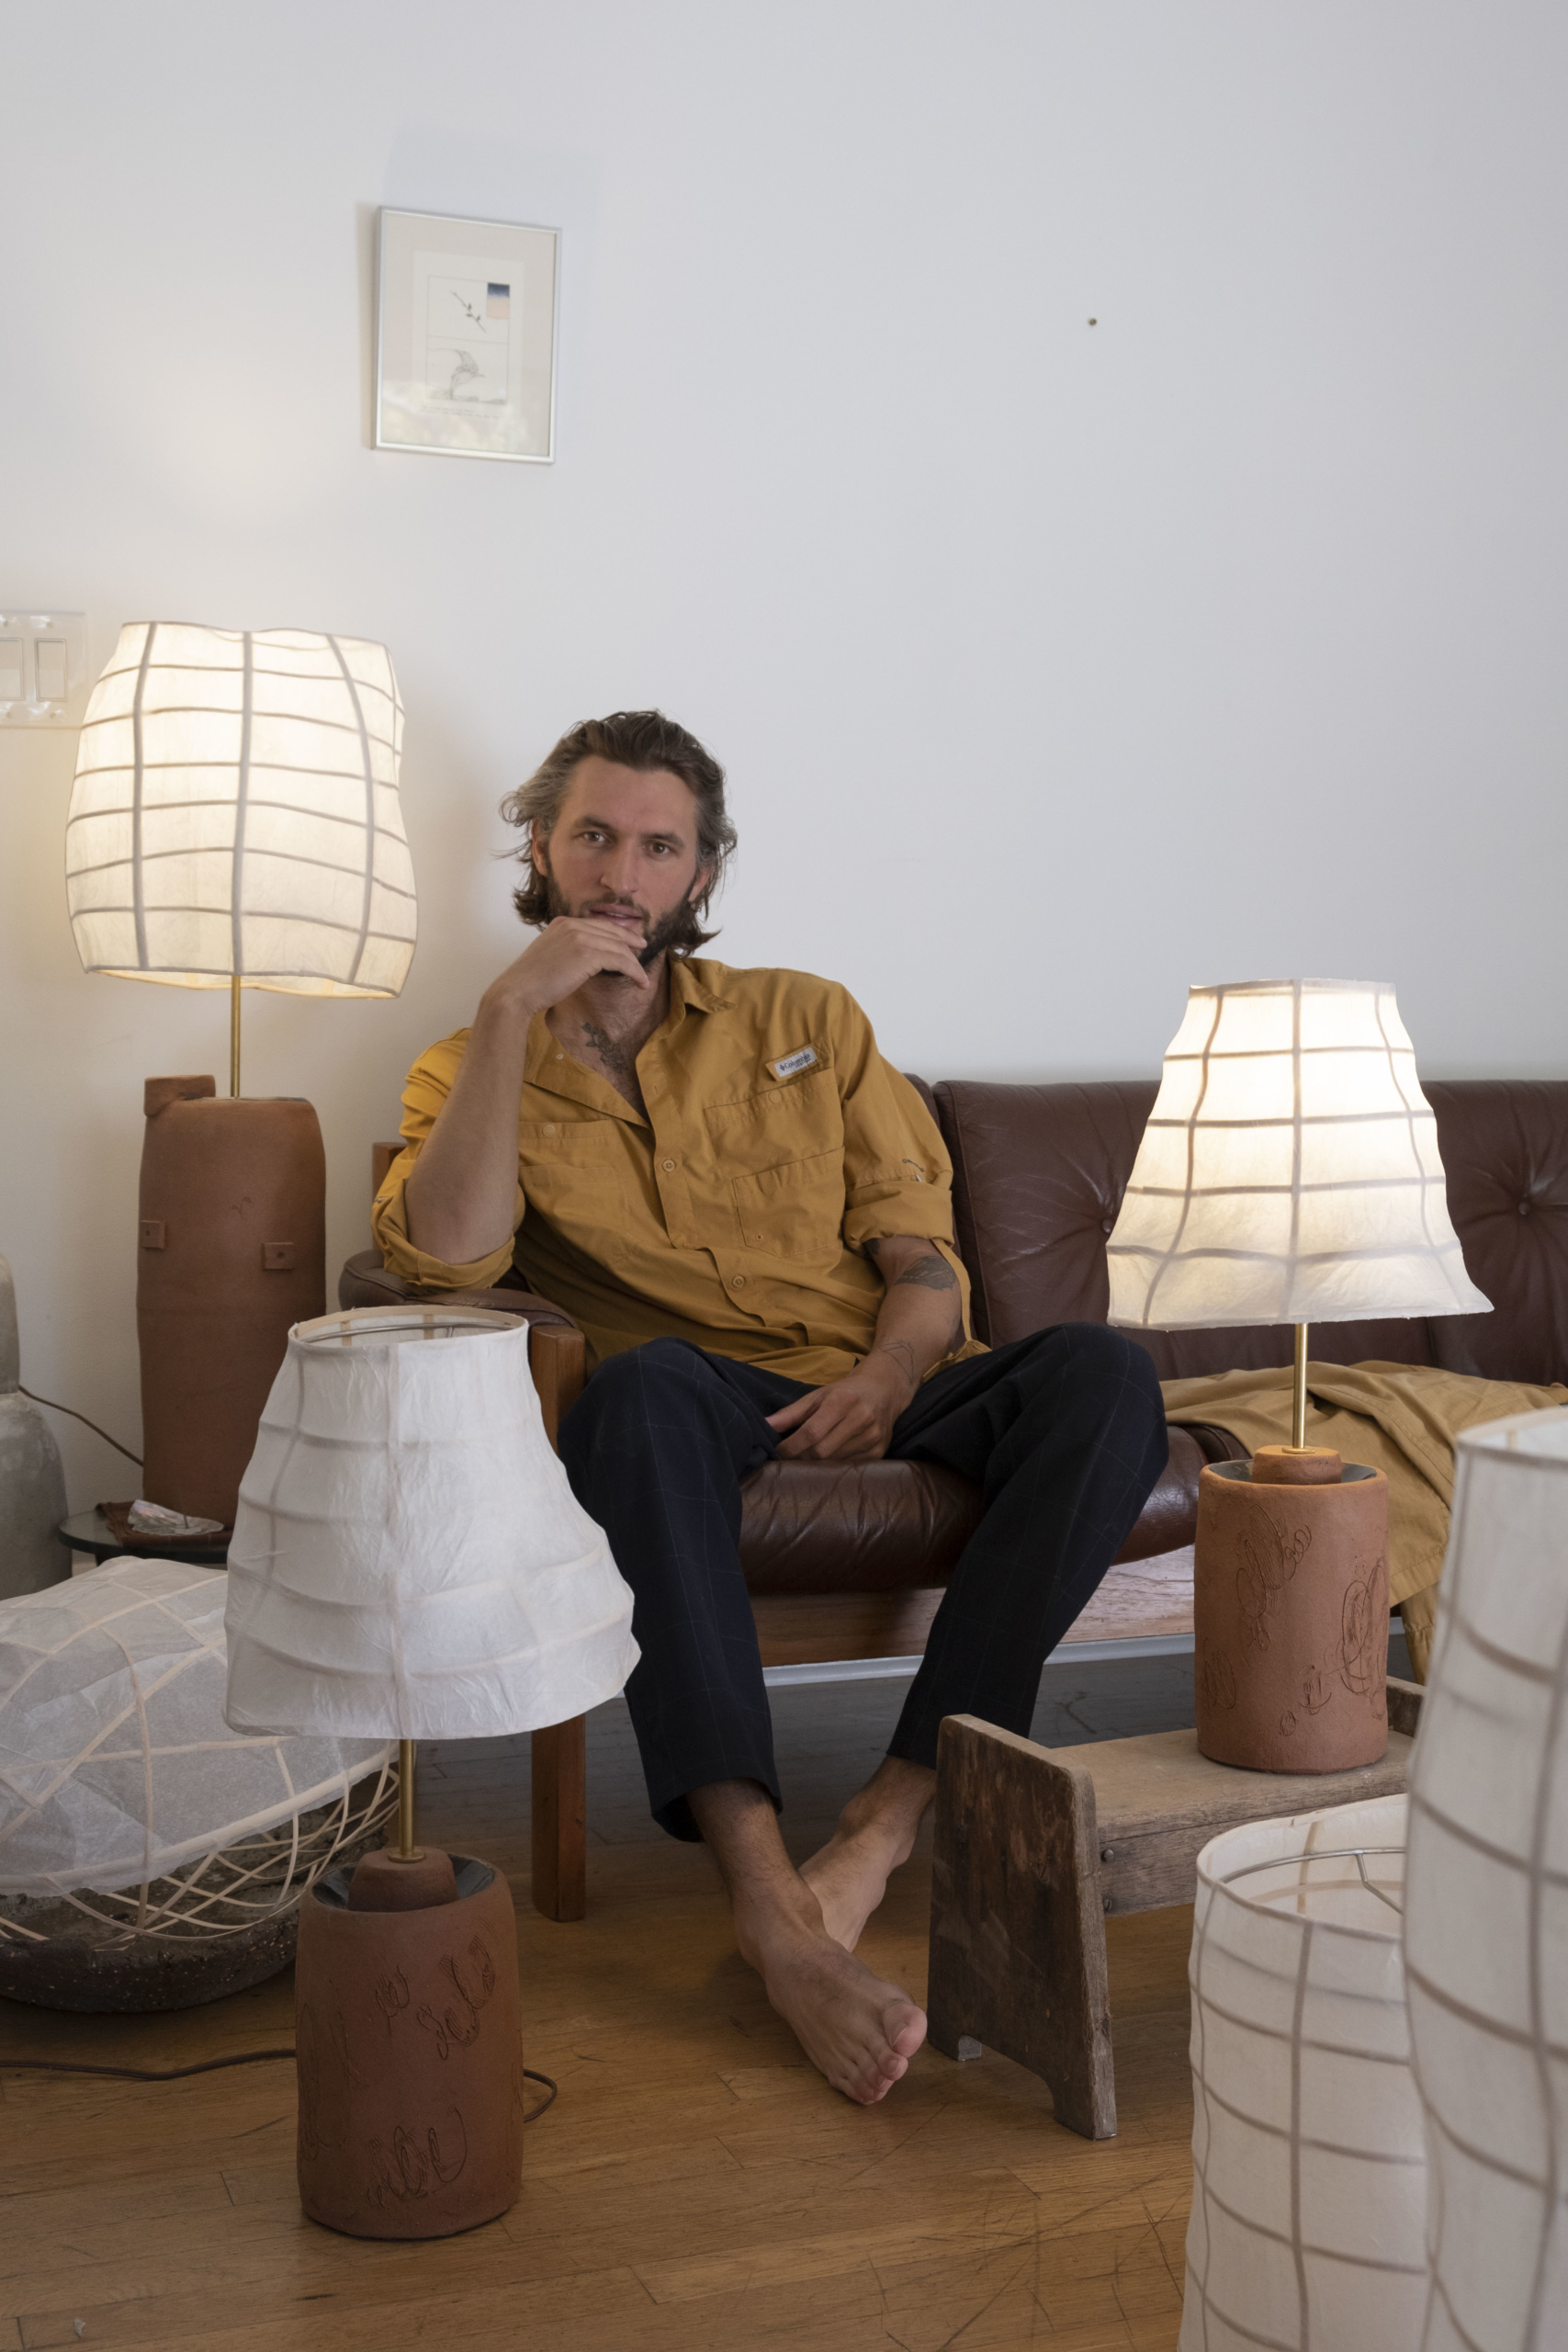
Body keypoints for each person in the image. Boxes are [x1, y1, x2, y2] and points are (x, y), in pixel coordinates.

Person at [373, 709, 1168, 2107]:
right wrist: (509, 1012)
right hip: (697, 1402)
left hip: (879, 1379)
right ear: (543, 856)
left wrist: (891, 1374)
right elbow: (442, 1257)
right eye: (595, 837)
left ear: (702, 876)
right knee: (638, 1388)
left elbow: (922, 1257)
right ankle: (763, 1897)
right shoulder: (468, 1061)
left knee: (1106, 1376)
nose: (624, 872)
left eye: (659, 845)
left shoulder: (809, 1019)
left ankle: (880, 1825)